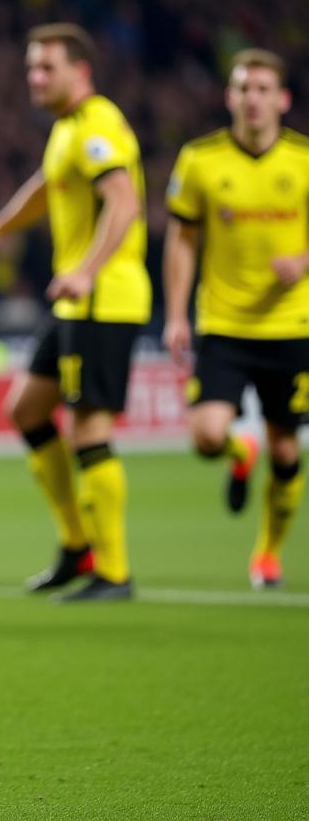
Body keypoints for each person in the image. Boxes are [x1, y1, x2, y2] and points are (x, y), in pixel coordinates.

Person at [0, 23, 151, 601]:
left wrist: (88, 269)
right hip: (75, 299)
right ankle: (77, 544)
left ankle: (114, 572)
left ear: (81, 71)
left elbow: (123, 201)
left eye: (47, 68)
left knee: (89, 428)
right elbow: (45, 188)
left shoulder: (97, 126)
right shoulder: (67, 130)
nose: (36, 79)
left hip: (103, 297)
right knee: (25, 409)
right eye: (31, 69)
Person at [163, 48, 309, 588]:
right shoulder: (200, 160)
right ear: (230, 97)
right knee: (205, 436)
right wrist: (177, 314)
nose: (253, 99)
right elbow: (181, 240)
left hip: (292, 327)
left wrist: (303, 261)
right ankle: (237, 450)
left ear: (282, 99)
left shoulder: (303, 160)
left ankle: (267, 553)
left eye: (263, 89)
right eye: (244, 88)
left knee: (289, 449)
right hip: (222, 323)